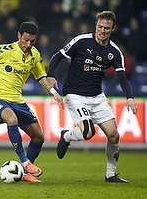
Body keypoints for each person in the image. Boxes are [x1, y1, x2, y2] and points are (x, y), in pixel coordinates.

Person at [47, 11, 137, 183]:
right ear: (96, 25)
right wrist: (50, 75)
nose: (102, 31)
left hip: (97, 96)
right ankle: (66, 136)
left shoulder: (114, 52)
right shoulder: (81, 41)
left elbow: (123, 77)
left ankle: (110, 174)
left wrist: (130, 97)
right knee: (88, 133)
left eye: (107, 28)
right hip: (74, 94)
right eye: (100, 27)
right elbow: (57, 57)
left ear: (113, 29)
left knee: (114, 136)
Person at [0, 21, 64, 182]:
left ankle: (25, 173)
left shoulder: (35, 55)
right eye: (26, 40)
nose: (28, 44)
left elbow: (41, 76)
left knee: (38, 137)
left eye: (32, 41)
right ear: (19, 36)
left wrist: (53, 92)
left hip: (18, 101)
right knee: (12, 119)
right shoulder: (3, 50)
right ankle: (24, 161)